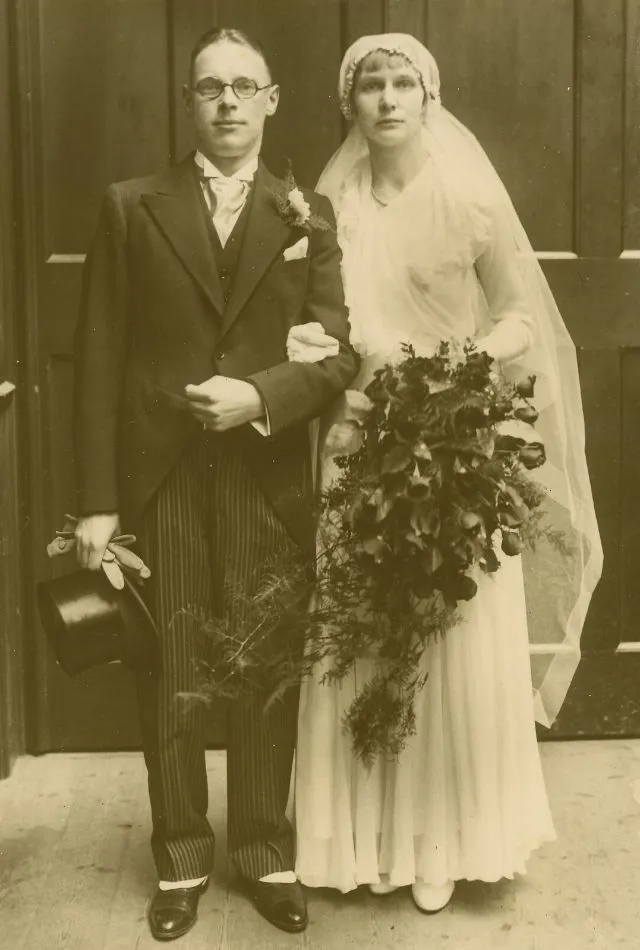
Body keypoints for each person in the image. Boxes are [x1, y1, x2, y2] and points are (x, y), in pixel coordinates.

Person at [295, 33, 602, 913]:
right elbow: (314, 317)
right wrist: (315, 348)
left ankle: (442, 842)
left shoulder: (467, 195)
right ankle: (365, 842)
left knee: (445, 634)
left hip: (450, 439)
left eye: (404, 84)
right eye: (371, 85)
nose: (388, 99)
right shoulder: (328, 207)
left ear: (429, 98)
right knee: (361, 632)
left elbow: (520, 317)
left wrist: (463, 364)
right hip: (360, 434)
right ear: (349, 103)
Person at [73, 26, 358, 940]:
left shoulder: (307, 213)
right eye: (210, 87)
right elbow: (98, 356)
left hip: (265, 475)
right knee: (171, 669)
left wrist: (261, 396)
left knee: (267, 666)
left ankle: (266, 851)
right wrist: (99, 502)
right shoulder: (131, 206)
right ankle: (181, 859)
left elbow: (337, 353)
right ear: (189, 102)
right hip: (159, 479)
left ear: (271, 102)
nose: (227, 102)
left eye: (244, 87)